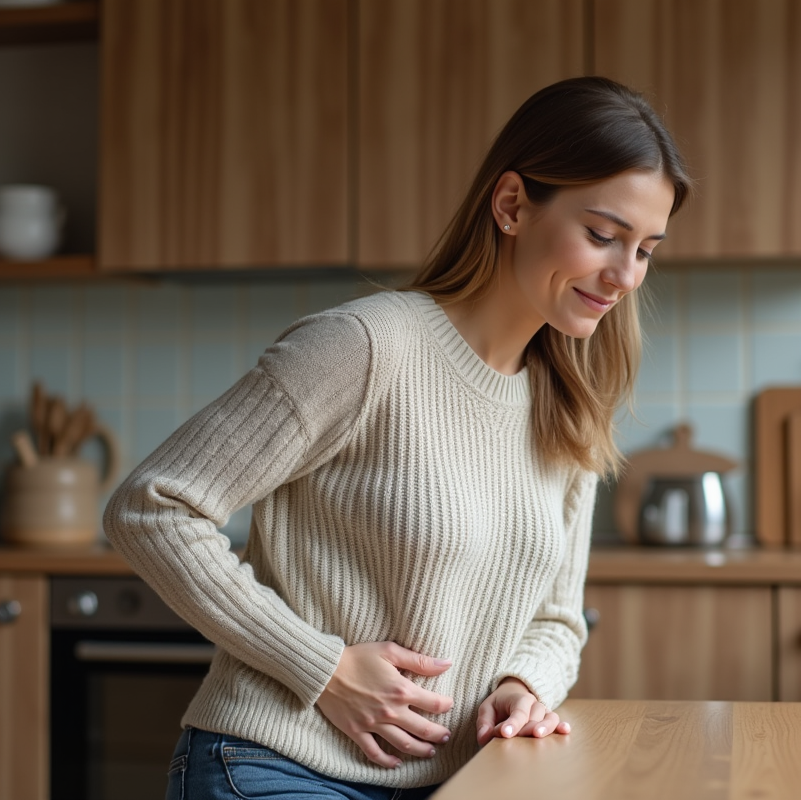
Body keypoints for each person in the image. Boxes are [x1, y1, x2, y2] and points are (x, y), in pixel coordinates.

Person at [103, 75, 691, 800]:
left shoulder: (567, 402)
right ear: (511, 205)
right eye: (602, 235)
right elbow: (152, 507)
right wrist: (323, 667)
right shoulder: (365, 346)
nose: (625, 274)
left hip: (459, 778)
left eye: (646, 250)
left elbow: (557, 617)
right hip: (278, 763)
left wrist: (522, 683)